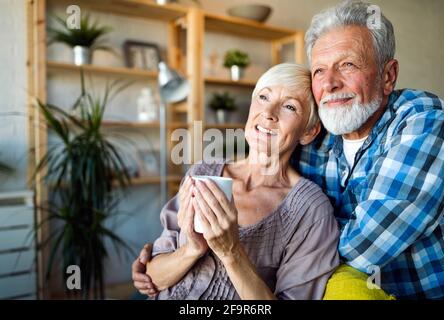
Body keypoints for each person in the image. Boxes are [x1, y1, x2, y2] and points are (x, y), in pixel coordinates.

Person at [132, 63, 340, 300]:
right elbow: (152, 278)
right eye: (263, 97)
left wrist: (231, 252)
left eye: (290, 107)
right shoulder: (203, 171)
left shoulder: (312, 211)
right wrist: (192, 249)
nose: (268, 113)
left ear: (308, 132)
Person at [291, 0, 444, 299]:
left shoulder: (424, 117)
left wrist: (290, 242)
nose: (330, 84)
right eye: (319, 71)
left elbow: (369, 241)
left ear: (387, 76)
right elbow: (260, 196)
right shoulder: (310, 137)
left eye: (347, 65)